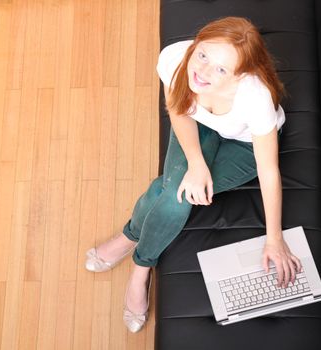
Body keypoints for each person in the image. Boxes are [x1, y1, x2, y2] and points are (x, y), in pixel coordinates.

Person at [84, 16, 303, 333]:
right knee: (176, 192)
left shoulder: (255, 98)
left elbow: (269, 170)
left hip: (243, 146)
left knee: (172, 193)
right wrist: (196, 164)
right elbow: (178, 108)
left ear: (241, 75)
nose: (202, 72)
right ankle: (139, 259)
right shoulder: (176, 59)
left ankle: (134, 249)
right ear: (197, 43)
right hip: (199, 125)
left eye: (221, 70)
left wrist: (274, 239)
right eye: (203, 55)